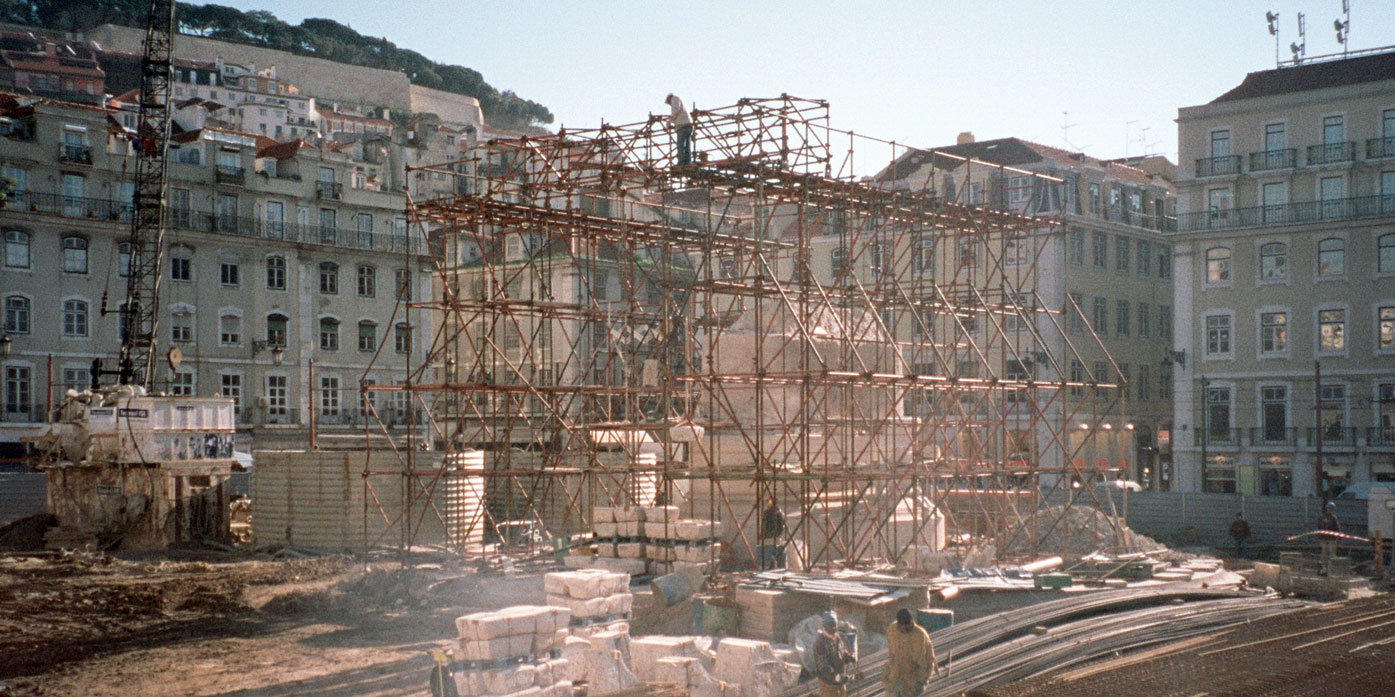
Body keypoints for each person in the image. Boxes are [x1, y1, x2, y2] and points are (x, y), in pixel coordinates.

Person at [884, 608, 936, 697]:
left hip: (914, 677)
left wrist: (921, 681)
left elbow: (926, 661)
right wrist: (888, 675)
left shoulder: (920, 635)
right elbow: (891, 653)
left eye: (907, 624)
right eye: (902, 625)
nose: (904, 627)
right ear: (898, 623)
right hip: (896, 673)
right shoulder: (892, 630)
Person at [812, 611, 855, 697]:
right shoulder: (820, 644)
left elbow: (842, 653)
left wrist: (849, 657)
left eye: (834, 625)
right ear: (824, 626)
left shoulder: (837, 638)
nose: (833, 628)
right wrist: (839, 678)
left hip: (840, 682)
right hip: (828, 686)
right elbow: (824, 667)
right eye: (830, 625)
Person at [665, 93, 693, 165]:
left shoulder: (674, 99)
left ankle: (681, 162)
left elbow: (675, 111)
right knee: (687, 145)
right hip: (688, 124)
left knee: (681, 145)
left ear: (669, 99)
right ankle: (688, 162)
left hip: (682, 125)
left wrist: (669, 121)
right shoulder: (679, 99)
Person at [761, 497, 787, 568]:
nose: (767, 504)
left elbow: (765, 526)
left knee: (769, 560)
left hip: (769, 538)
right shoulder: (780, 512)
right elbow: (782, 526)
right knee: (780, 558)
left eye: (768, 502)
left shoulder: (767, 513)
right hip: (777, 538)